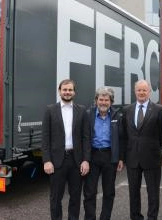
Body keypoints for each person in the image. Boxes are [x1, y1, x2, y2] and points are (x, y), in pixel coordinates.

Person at [41, 79, 91, 220]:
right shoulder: (50, 110)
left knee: (75, 197)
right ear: (59, 91)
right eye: (65, 89)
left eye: (70, 90)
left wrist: (86, 160)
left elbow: (86, 138)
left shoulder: (82, 111)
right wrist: (47, 160)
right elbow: (45, 138)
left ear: (74, 92)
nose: (67, 92)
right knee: (56, 198)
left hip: (76, 161)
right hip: (57, 161)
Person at [122, 79, 162, 220]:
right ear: (135, 92)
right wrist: (123, 157)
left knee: (153, 193)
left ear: (149, 92)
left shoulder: (159, 110)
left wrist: (158, 149)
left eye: (144, 90)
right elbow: (124, 135)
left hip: (152, 158)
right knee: (133, 192)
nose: (141, 92)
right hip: (132, 158)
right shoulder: (127, 110)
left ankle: (152, 217)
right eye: (139, 90)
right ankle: (135, 217)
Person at [83, 87, 124, 220]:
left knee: (109, 192)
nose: (103, 102)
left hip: (109, 156)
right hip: (92, 156)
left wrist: (121, 158)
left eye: (107, 100)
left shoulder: (117, 116)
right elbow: (83, 137)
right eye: (101, 99)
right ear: (96, 100)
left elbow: (122, 138)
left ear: (111, 102)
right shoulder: (88, 114)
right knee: (89, 192)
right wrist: (84, 159)